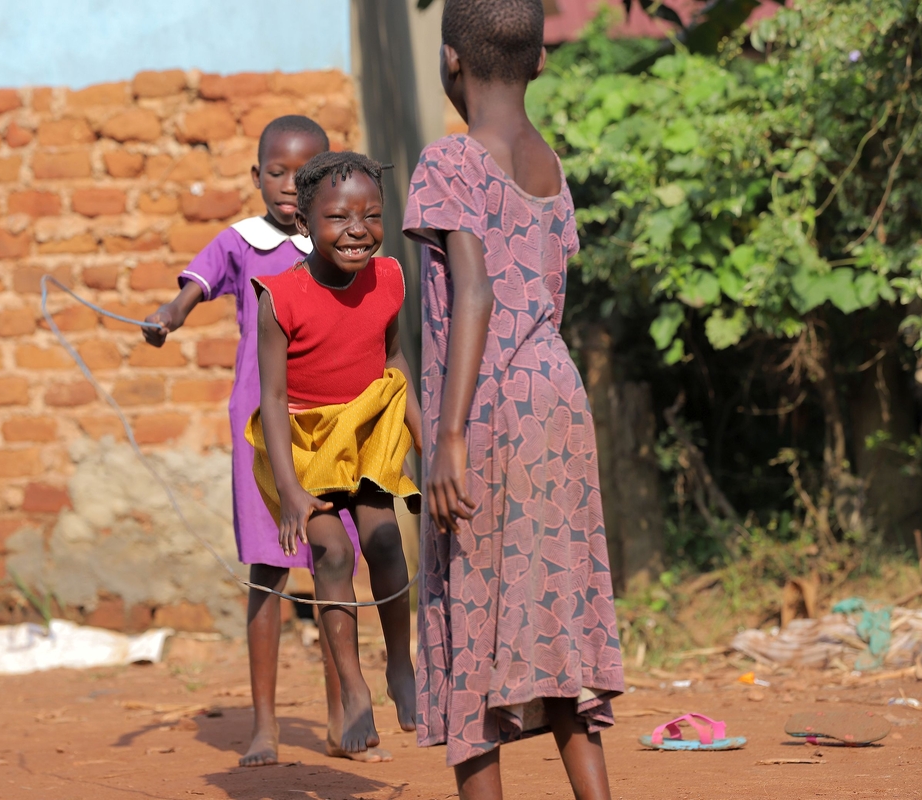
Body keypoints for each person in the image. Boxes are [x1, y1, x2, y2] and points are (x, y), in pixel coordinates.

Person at [402, 2, 625, 799]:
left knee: (472, 613)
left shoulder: (450, 163)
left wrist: (449, 434)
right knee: (557, 610)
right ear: (539, 62)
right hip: (557, 401)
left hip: (489, 405)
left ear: (451, 61)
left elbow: (473, 296)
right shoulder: (549, 165)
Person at [142, 117, 382, 766]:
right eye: (275, 172)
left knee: (338, 569)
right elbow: (193, 287)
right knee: (269, 573)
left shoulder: (338, 247)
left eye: (301, 176)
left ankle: (344, 717)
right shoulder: (243, 243)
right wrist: (169, 315)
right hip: (263, 431)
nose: (286, 186)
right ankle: (265, 727)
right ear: (257, 177)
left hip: (330, 431)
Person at [247, 151, 421, 755]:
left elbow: (394, 360)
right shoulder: (280, 297)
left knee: (384, 540)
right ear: (303, 224)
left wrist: (423, 437)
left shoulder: (391, 278)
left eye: (371, 216)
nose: (357, 230)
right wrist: (292, 490)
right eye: (338, 218)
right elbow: (269, 396)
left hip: (366, 430)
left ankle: (401, 666)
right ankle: (353, 688)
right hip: (303, 442)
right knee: (333, 551)